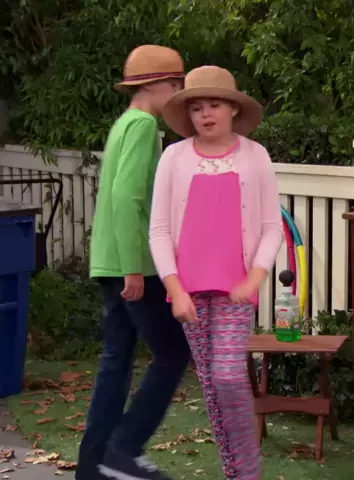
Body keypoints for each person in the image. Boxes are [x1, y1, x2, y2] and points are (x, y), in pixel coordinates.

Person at [149, 66, 284, 480]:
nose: (205, 114)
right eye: (196, 108)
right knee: (211, 385)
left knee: (227, 377)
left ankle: (248, 472)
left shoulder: (255, 156)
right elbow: (159, 230)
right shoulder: (174, 157)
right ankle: (236, 473)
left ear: (233, 109)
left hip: (236, 289)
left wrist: (255, 278)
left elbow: (271, 227)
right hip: (188, 291)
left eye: (214, 105)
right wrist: (175, 289)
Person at [76, 45, 191, 480]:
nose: (178, 94)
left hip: (109, 262)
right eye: (176, 85)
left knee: (116, 362)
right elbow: (127, 199)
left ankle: (92, 467)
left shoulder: (124, 123)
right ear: (157, 85)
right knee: (173, 352)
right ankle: (125, 448)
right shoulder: (143, 126)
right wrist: (134, 269)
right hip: (134, 264)